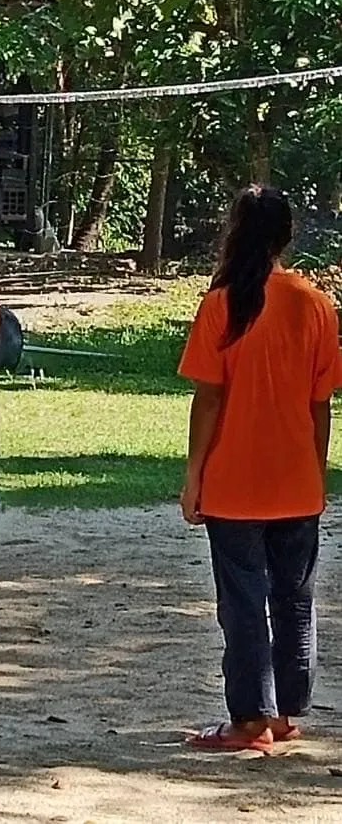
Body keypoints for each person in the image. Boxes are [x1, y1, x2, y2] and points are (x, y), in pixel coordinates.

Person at [178, 185, 342, 752]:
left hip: (234, 482)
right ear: (286, 236)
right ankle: (287, 713)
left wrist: (194, 473)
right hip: (296, 480)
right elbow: (320, 405)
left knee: (243, 602)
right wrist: (313, 470)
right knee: (295, 599)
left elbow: (210, 399)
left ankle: (249, 719)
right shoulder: (315, 304)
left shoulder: (222, 302)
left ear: (235, 231)